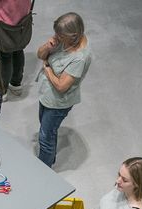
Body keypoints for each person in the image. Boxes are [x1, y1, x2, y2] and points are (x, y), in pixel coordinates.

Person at [36, 12, 91, 167]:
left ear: (73, 35)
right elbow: (40, 55)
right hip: (47, 95)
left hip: (58, 103)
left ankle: (43, 168)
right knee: (46, 129)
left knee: (45, 137)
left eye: (60, 35)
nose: (56, 37)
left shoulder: (79, 58)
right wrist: (48, 46)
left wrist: (47, 69)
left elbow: (61, 86)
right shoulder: (63, 39)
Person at [0, 0, 33, 96]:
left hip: (5, 22)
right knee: (18, 51)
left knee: (4, 57)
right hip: (23, 19)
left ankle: (2, 91)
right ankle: (16, 84)